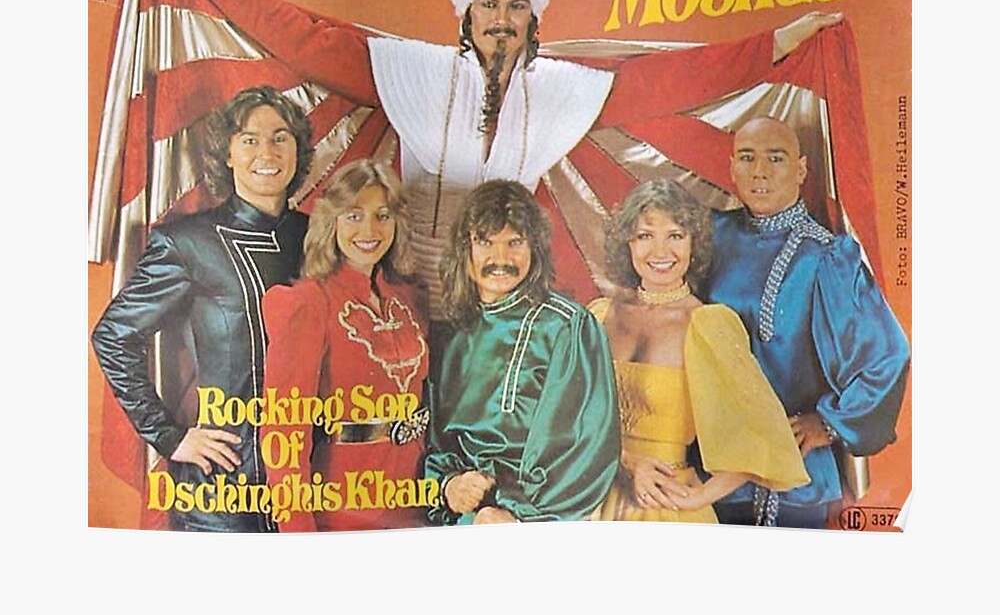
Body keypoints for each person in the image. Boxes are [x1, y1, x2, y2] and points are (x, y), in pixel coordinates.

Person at [145, 0, 840, 317]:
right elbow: (304, 39)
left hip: (503, 286)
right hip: (406, 280)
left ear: (534, 18)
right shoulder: (411, 71)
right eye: (488, 4)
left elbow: (668, 81)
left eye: (515, 6)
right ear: (466, 13)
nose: (501, 19)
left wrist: (777, 44)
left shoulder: (562, 89)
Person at [91, 85, 314, 532]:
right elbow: (113, 336)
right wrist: (169, 436)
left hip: (312, 482)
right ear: (227, 153)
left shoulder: (320, 236)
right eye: (249, 139)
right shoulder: (188, 241)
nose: (267, 152)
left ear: (297, 150)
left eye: (280, 137)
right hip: (223, 492)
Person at [703, 115, 911, 528]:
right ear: (732, 167)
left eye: (775, 158)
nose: (759, 171)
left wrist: (828, 424)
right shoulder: (712, 235)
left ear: (801, 170)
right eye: (747, 157)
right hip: (713, 467)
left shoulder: (826, 257)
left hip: (791, 480)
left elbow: (887, 357)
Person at [590, 180, 808, 524]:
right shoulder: (599, 316)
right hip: (592, 500)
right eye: (645, 235)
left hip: (665, 509)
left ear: (694, 243)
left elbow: (765, 437)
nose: (660, 251)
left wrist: (699, 497)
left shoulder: (707, 325)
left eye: (675, 235)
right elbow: (564, 421)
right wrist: (628, 462)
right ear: (627, 243)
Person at [424, 179, 619, 524]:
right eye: (485, 242)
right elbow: (434, 443)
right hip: (460, 517)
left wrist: (515, 516)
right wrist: (448, 485)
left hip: (534, 523)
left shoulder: (567, 327)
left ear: (535, 248)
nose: (500, 259)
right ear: (464, 250)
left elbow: (584, 448)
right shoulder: (449, 335)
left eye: (515, 242)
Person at [261, 159, 430, 532]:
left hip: (415, 495)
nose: (369, 230)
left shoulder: (408, 298)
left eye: (382, 216)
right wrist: (298, 533)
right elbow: (283, 432)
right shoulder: (309, 302)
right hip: (343, 502)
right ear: (331, 221)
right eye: (354, 216)